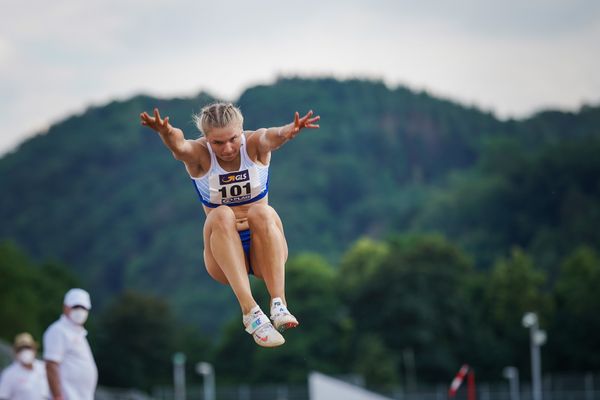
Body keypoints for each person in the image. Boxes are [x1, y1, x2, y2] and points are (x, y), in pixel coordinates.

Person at [140, 103, 320, 347]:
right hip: (223, 251)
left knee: (262, 211)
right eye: (218, 143)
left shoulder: (254, 145)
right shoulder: (200, 155)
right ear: (206, 139)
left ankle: (278, 304)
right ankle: (252, 314)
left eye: (233, 139)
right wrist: (166, 132)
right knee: (221, 214)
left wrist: (289, 130)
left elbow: (272, 136)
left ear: (242, 131)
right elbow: (180, 145)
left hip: (263, 248)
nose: (227, 148)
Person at [43, 288, 97, 400]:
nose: (80, 311)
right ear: (66, 307)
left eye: (83, 308)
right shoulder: (58, 330)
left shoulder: (79, 334)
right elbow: (51, 365)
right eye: (76, 307)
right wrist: (57, 396)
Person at [0, 333, 50, 400]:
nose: (25, 351)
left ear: (34, 349)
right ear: (16, 352)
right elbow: (3, 396)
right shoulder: (9, 373)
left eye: (28, 347)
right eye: (21, 349)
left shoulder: (44, 368)